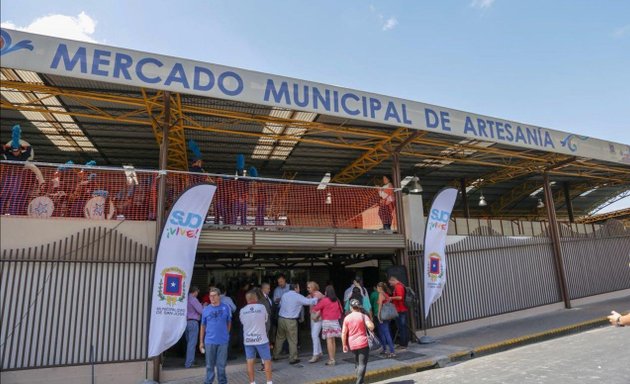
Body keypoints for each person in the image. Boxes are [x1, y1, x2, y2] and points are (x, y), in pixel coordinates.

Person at [273, 282, 318, 364]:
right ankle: (293, 358)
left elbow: (280, 305)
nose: (299, 289)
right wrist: (318, 297)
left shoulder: (284, 295)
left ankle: (275, 355)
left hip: (281, 319)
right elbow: (310, 302)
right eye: (298, 288)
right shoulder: (298, 296)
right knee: (292, 340)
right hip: (291, 321)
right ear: (296, 288)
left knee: (279, 338)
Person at [240, 290, 273, 384]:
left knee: (250, 362)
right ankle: (269, 382)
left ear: (247, 299)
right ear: (256, 298)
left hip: (248, 340)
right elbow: (266, 319)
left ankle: (252, 382)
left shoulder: (242, 310)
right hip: (261, 339)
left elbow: (242, 322)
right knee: (267, 361)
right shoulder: (262, 307)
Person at [199, 287, 232, 384]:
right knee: (209, 366)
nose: (212, 298)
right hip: (209, 341)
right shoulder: (206, 309)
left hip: (223, 342)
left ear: (219, 296)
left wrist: (226, 334)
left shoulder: (226, 307)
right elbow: (202, 326)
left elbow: (229, 322)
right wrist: (201, 342)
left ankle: (222, 382)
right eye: (210, 296)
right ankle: (208, 382)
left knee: (221, 366)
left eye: (214, 296)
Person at [342, 299, 375, 384]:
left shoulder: (347, 318)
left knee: (357, 363)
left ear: (351, 307)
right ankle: (359, 382)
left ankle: (361, 381)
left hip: (352, 343)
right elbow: (371, 327)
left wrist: (344, 345)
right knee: (362, 364)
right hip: (363, 343)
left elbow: (344, 333)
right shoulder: (363, 316)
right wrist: (370, 325)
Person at [312, 285, 344, 366]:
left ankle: (331, 360)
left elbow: (315, 308)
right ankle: (333, 358)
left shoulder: (324, 300)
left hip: (327, 322)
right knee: (333, 341)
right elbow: (341, 310)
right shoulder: (336, 300)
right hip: (335, 321)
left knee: (329, 341)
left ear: (326, 292)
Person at [185, 286, 204, 368]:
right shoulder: (193, 299)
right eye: (197, 292)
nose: (197, 294)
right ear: (195, 292)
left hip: (186, 322)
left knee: (189, 343)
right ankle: (189, 363)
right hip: (193, 322)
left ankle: (189, 360)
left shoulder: (185, 298)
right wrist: (204, 306)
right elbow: (201, 311)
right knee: (192, 344)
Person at [375, 282, 396, 358]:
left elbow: (380, 306)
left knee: (386, 334)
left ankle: (392, 351)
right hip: (387, 316)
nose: (376, 289)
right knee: (384, 333)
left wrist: (378, 315)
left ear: (379, 288)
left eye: (377, 287)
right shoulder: (386, 294)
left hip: (383, 315)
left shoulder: (381, 294)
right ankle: (385, 349)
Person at [388, 275, 409, 349]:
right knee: (402, 327)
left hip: (401, 310)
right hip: (401, 309)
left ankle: (403, 344)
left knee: (402, 327)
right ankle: (404, 343)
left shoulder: (398, 287)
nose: (390, 284)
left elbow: (400, 297)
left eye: (390, 283)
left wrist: (391, 298)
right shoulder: (400, 285)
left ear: (393, 280)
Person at [306, 281, 325, 363]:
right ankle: (320, 352)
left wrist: (317, 315)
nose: (307, 289)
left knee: (314, 335)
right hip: (313, 316)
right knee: (315, 335)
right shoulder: (313, 295)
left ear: (313, 287)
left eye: (309, 287)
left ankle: (315, 354)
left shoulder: (317, 295)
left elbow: (321, 306)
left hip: (317, 317)